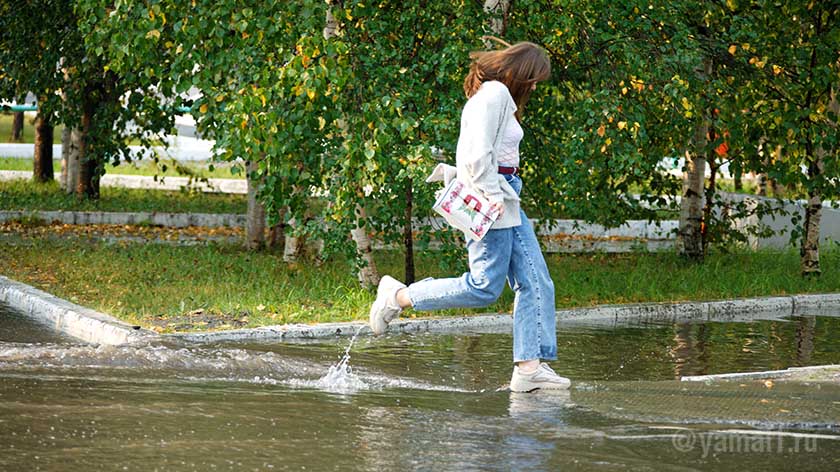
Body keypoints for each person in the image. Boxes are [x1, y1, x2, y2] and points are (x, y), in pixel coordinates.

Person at [369, 40, 570, 393]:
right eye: (535, 78)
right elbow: (476, 156)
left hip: (505, 194)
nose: (536, 86)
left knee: (536, 280)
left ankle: (529, 368)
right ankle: (397, 296)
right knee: (483, 287)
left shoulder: (496, 96)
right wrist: (491, 200)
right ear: (521, 72)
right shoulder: (494, 95)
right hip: (492, 197)